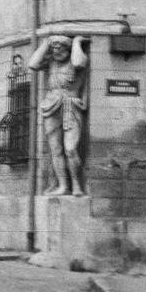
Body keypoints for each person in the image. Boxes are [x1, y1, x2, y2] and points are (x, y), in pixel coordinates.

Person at [27, 34, 88, 196]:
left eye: (59, 47)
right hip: (51, 105)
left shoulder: (76, 58)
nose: (56, 50)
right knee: (55, 149)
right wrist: (45, 44)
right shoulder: (51, 62)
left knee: (70, 149)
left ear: (67, 48)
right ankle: (63, 186)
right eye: (53, 47)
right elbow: (32, 64)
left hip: (70, 105)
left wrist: (76, 42)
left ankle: (77, 185)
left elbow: (78, 62)